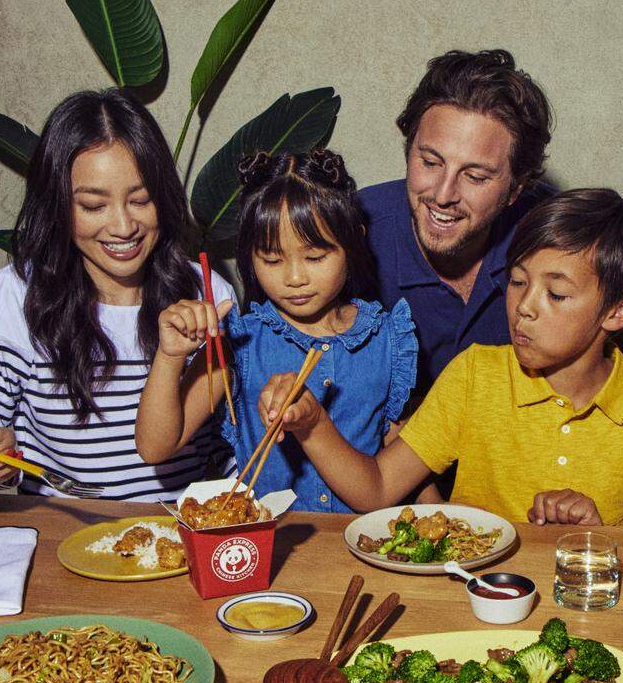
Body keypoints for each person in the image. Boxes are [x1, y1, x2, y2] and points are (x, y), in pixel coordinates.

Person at [257, 188, 623, 527]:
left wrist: (595, 542)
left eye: (556, 293)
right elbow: (376, 490)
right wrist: (313, 424)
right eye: (517, 282)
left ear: (618, 310)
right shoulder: (475, 375)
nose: (525, 306)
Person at [0, 89, 230, 500]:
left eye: (141, 199)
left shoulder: (207, 293)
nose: (123, 226)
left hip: (180, 531)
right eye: (94, 206)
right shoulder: (18, 293)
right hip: (64, 536)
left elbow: (229, 441)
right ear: (57, 205)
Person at [136, 150, 417, 512]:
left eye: (315, 257)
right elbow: (156, 447)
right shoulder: (240, 343)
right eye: (271, 259)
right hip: (267, 545)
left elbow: (401, 455)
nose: (295, 278)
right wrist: (170, 356)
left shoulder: (387, 339)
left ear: (353, 242)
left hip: (359, 543)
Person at [358, 48, 553, 391]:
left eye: (475, 177)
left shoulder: (556, 238)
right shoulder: (347, 233)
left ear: (515, 189)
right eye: (430, 163)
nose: (443, 194)